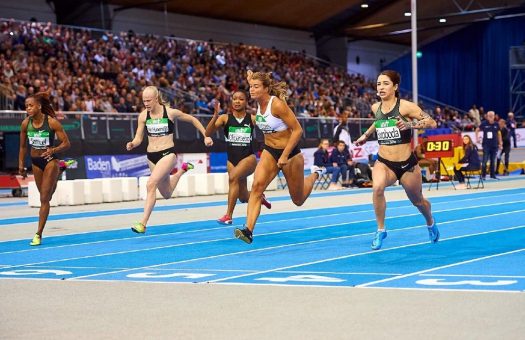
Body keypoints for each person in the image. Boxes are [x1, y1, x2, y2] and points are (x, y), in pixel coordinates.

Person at [234, 71, 325, 244]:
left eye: (256, 87)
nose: (251, 90)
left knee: (298, 199)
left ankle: (315, 174)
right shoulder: (258, 103)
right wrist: (251, 79)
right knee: (256, 187)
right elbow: (254, 84)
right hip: (270, 151)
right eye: (250, 87)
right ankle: (248, 230)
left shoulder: (277, 105)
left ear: (266, 89)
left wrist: (284, 156)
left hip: (289, 154)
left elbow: (298, 130)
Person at [354, 70, 438, 250]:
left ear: (395, 87)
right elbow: (378, 122)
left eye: (385, 83)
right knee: (377, 188)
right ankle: (381, 229)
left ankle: (430, 222)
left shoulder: (406, 107)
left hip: (407, 165)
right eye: (378, 84)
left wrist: (410, 125)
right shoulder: (375, 107)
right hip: (384, 162)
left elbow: (432, 122)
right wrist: (366, 135)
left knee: (418, 202)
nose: (381, 87)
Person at [126, 86, 213, 233]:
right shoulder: (143, 116)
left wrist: (206, 135)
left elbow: (192, 119)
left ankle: (143, 223)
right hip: (151, 157)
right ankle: (182, 170)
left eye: (148, 100)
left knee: (150, 184)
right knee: (166, 194)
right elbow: (139, 138)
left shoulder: (170, 113)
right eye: (143, 101)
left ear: (156, 98)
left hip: (168, 154)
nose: (146, 104)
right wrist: (132, 144)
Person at [204, 91, 271, 225]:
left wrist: (266, 149)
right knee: (243, 196)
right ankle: (260, 197)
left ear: (246, 102)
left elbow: (269, 130)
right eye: (234, 99)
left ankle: (228, 215)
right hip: (231, 160)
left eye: (241, 99)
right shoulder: (224, 118)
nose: (237, 101)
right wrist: (214, 116)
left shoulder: (252, 119)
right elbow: (208, 133)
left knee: (232, 178)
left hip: (248, 158)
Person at [18, 91, 71, 246]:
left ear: (39, 106)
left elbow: (66, 143)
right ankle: (60, 171)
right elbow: (22, 147)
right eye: (26, 106)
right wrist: (21, 165)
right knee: (46, 196)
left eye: (31, 105)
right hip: (35, 161)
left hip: (50, 160)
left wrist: (53, 150)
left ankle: (38, 234)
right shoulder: (25, 124)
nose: (28, 108)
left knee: (43, 199)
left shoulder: (52, 123)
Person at [475, 111, 502, 180]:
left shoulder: (496, 124)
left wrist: (500, 143)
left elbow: (499, 134)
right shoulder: (484, 123)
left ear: (494, 116)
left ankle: (492, 175)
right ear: (487, 116)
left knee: (493, 161)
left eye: (491, 116)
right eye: (489, 116)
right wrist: (477, 138)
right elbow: (477, 130)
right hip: (486, 145)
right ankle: (483, 175)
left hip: (494, 145)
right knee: (484, 161)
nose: (490, 117)